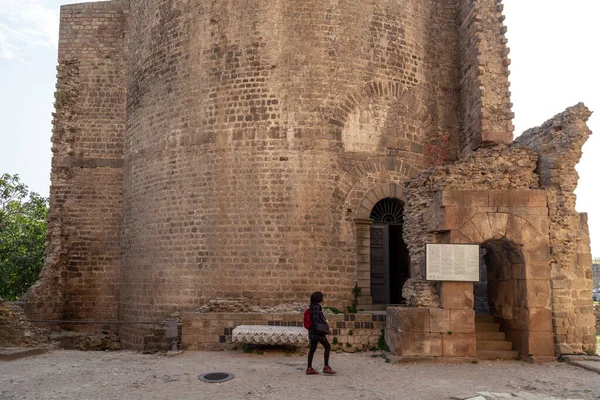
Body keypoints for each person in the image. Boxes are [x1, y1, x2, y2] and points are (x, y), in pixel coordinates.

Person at [306, 291, 336, 375]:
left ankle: (309, 368)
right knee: (327, 347)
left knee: (312, 349)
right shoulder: (316, 307)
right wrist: (325, 327)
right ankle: (326, 367)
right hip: (317, 332)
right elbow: (316, 319)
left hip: (313, 331)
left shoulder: (312, 306)